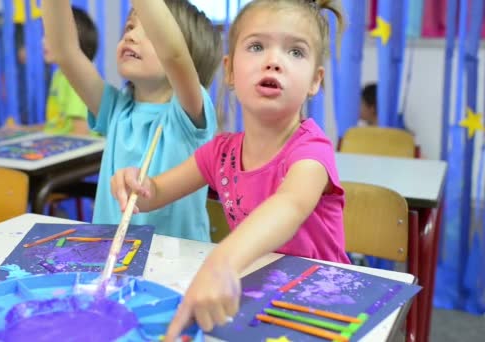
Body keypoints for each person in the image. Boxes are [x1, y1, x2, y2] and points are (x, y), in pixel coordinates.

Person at [109, 0, 349, 338]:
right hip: (259, 295)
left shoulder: (311, 150)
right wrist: (136, 183)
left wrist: (222, 261)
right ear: (231, 71)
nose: (274, 61)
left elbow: (290, 205)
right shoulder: (220, 153)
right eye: (256, 46)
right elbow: (155, 193)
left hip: (323, 304)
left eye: (295, 52)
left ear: (315, 80)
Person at [42, 0, 222, 241]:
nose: (131, 36)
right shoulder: (115, 108)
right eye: (129, 27)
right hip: (114, 264)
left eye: (149, 30)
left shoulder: (189, 111)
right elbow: (64, 51)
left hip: (176, 271)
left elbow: (174, 54)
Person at [10, 7, 98, 135]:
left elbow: (81, 133)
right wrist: (22, 130)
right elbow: (56, 126)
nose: (43, 41)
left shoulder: (79, 78)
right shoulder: (60, 75)